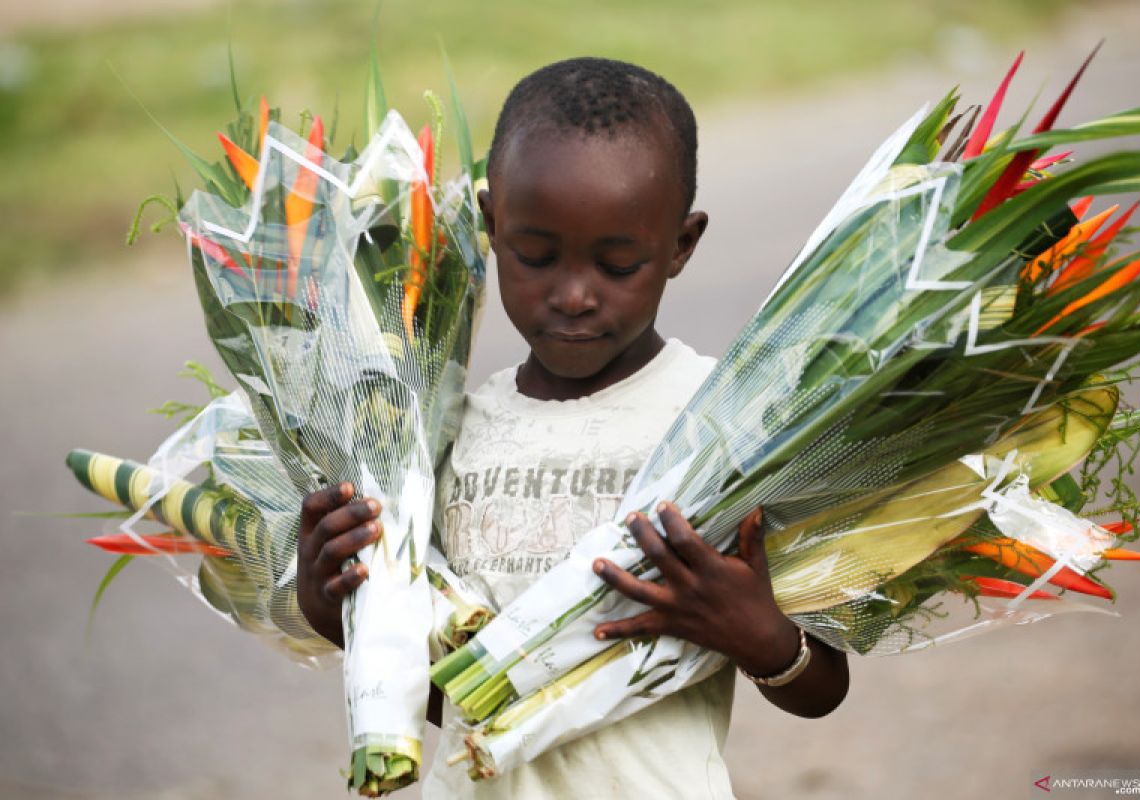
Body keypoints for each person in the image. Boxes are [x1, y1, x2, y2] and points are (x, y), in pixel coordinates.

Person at [296, 56, 850, 798]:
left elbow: (823, 688)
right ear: (493, 224)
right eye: (536, 256)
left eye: (618, 265)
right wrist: (341, 612)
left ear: (682, 245)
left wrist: (760, 635)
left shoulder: (724, 424)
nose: (575, 296)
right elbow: (466, 705)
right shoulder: (445, 434)